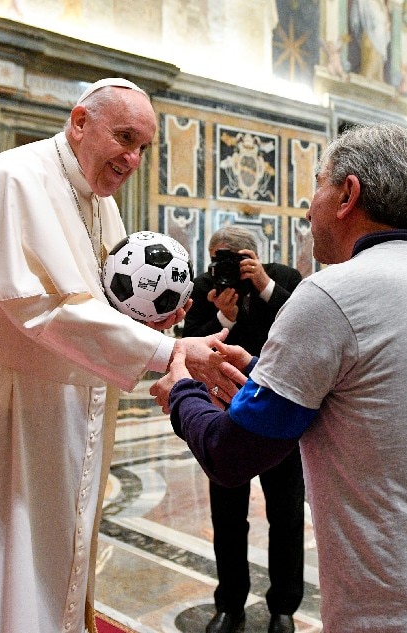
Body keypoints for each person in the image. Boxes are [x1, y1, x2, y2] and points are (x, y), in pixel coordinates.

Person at [0, 78, 231, 633]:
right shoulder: (12, 180)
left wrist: (148, 318)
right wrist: (167, 349)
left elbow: (97, 300)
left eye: (143, 147)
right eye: (123, 138)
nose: (132, 159)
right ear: (80, 122)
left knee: (40, 559)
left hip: (52, 412)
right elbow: (42, 311)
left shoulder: (101, 204)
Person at [152, 123, 407, 632]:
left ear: (347, 194)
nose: (308, 209)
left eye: (317, 185)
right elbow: (372, 402)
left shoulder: (333, 292)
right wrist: (265, 380)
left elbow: (231, 454)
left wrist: (182, 389)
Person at [183, 226, 304, 633]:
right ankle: (229, 603)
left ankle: (283, 608)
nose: (227, 266)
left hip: (278, 412)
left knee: (286, 513)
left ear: (255, 256)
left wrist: (266, 287)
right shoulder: (204, 287)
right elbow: (190, 342)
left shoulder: (283, 278)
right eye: (220, 257)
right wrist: (223, 318)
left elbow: (299, 330)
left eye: (236, 258)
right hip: (225, 412)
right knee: (228, 515)